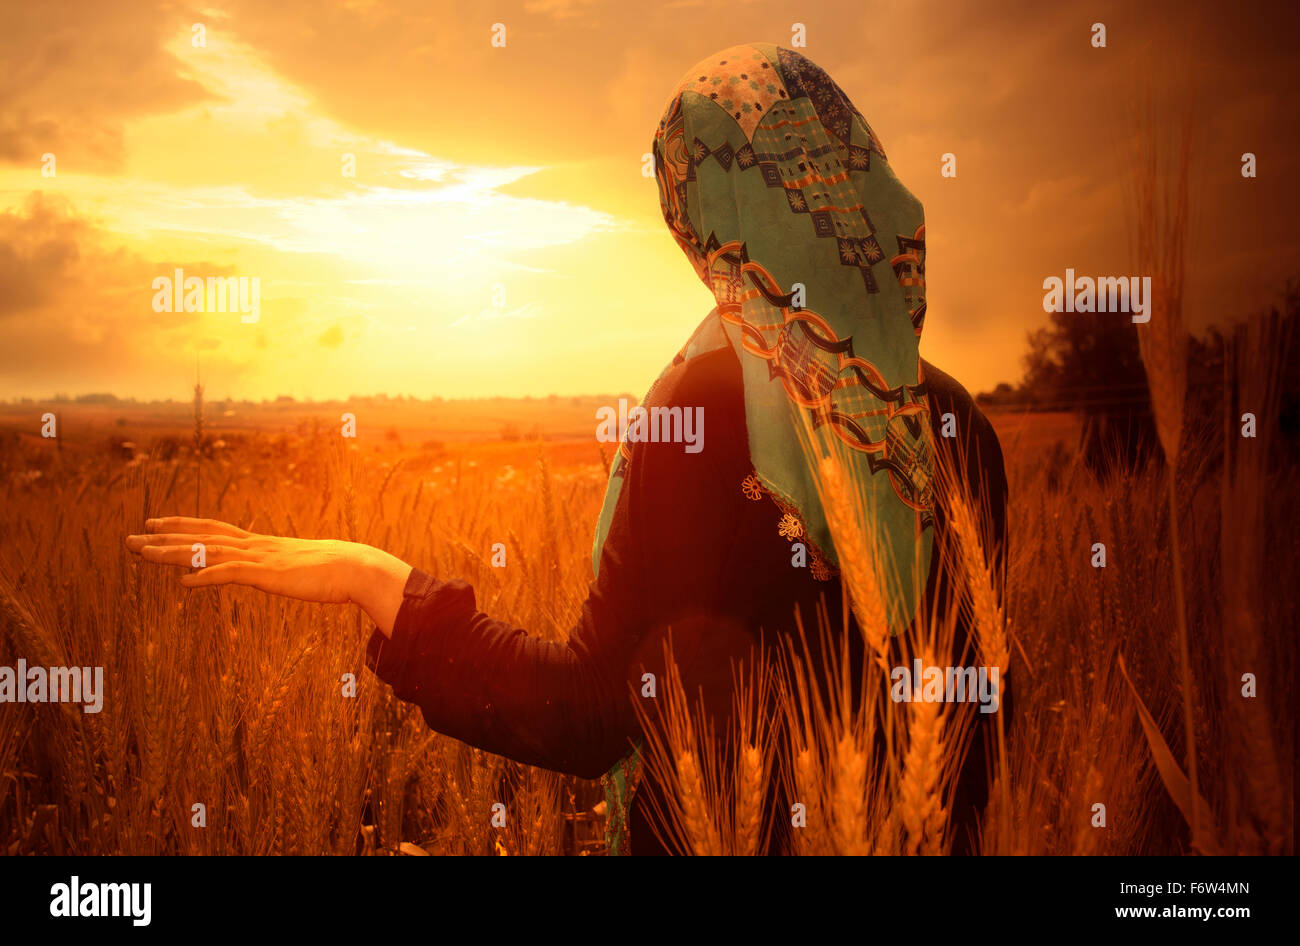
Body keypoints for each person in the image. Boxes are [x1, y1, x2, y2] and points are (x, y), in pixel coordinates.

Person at [127, 43, 1007, 855]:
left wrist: (378, 583)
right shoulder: (959, 421)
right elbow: (983, 725)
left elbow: (592, 714)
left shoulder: (696, 409)